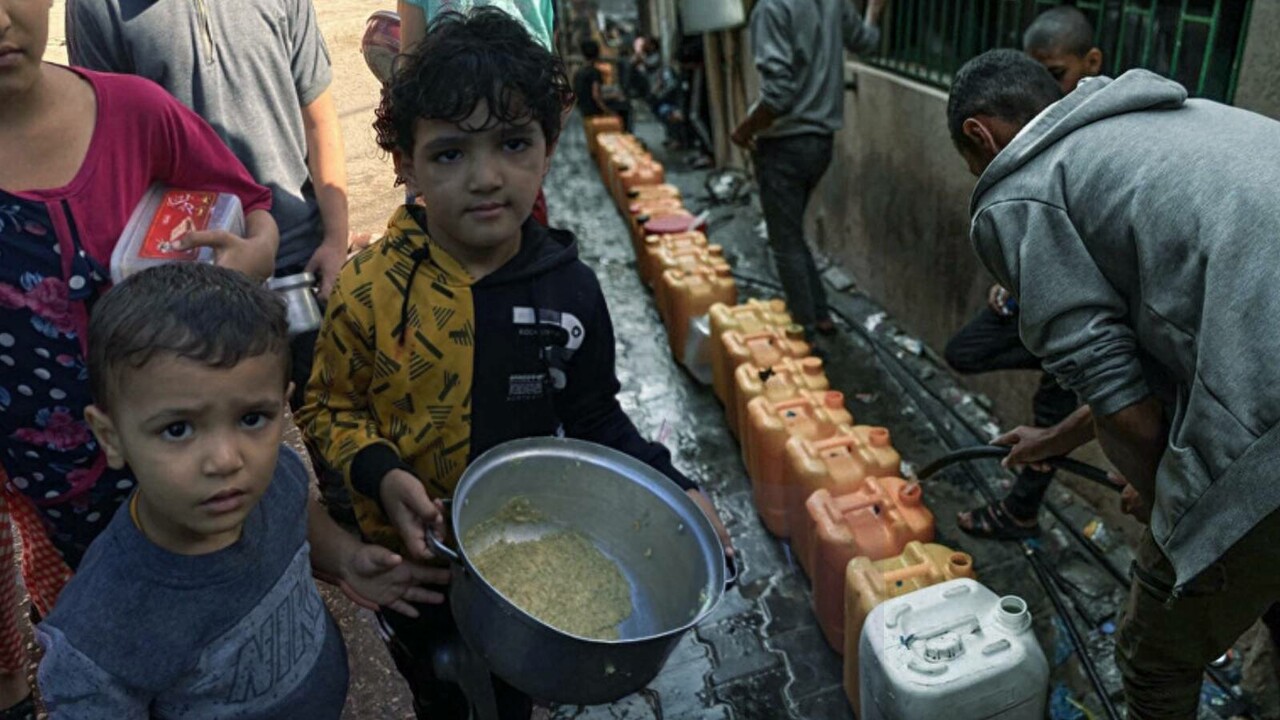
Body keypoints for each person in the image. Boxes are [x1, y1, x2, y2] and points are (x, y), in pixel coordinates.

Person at [298, 11, 733, 718]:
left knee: (514, 693)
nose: (486, 178)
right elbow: (327, 407)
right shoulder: (369, 291)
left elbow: (594, 414)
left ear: (548, 148)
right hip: (415, 574)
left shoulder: (570, 292)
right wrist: (382, 472)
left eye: (512, 143)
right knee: (438, 689)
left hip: (523, 564)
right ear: (404, 163)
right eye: (449, 154)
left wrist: (676, 485)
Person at [947, 49, 1280, 719]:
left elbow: (1128, 413)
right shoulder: (1164, 121)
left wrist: (1168, 502)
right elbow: (1159, 355)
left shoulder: (1020, 191)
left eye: (970, 161)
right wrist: (1054, 438)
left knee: (1153, 656)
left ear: (979, 135)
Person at [0, 0, 278, 712]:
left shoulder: (134, 112)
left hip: (187, 447)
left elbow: (249, 204)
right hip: (49, 481)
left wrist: (250, 257)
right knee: (110, 629)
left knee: (218, 602)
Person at [35, 263, 441, 718]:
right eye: (177, 429)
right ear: (110, 437)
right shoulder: (99, 633)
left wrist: (345, 558)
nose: (228, 460)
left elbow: (295, 510)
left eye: (252, 419)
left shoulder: (274, 476)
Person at [65, 0, 355, 409]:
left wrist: (335, 239)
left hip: (298, 265)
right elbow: (113, 146)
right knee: (227, 453)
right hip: (189, 284)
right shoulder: (99, 7)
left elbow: (318, 117)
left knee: (329, 426)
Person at [947, 5, 1104, 540]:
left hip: (1100, 321)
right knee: (968, 352)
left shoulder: (1100, 145)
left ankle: (1020, 510)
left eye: (1056, 75)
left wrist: (1152, 478)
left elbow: (1138, 384)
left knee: (1070, 391)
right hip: (1066, 318)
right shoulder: (1039, 166)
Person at [732, 0, 886, 337]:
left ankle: (803, 334)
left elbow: (778, 95)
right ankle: (818, 314)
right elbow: (868, 41)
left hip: (786, 143)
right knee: (792, 233)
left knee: (784, 240)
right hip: (820, 143)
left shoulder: (772, 9)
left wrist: (744, 130)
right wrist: (874, 10)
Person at [574, 39, 631, 130]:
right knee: (624, 106)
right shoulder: (594, 72)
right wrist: (607, 110)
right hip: (594, 110)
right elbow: (596, 95)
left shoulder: (579, 72)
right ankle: (625, 133)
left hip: (583, 109)